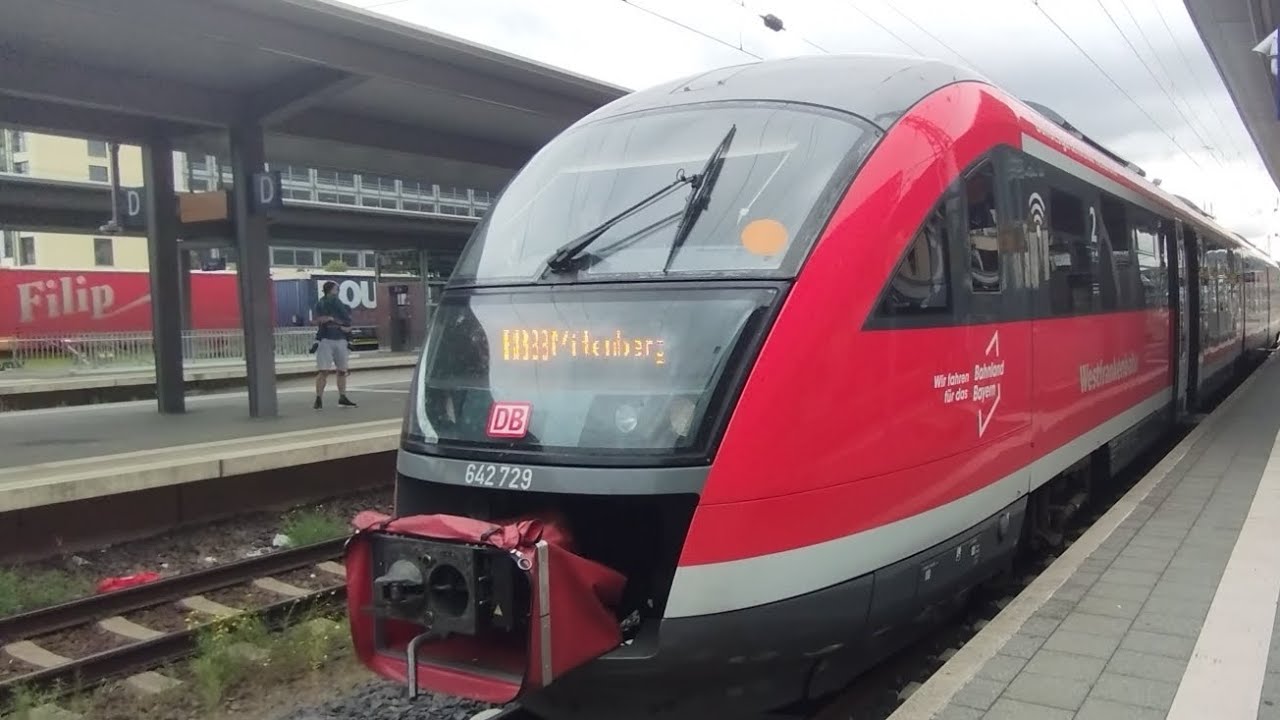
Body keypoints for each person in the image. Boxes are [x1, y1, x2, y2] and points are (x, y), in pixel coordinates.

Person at [313, 281, 357, 409]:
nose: (338, 291)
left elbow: (319, 320)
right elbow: (345, 319)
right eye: (336, 289)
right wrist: (342, 325)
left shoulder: (324, 304)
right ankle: (334, 397)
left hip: (332, 339)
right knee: (333, 370)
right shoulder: (329, 303)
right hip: (333, 339)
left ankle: (324, 398)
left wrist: (332, 320)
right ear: (331, 290)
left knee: (331, 370)